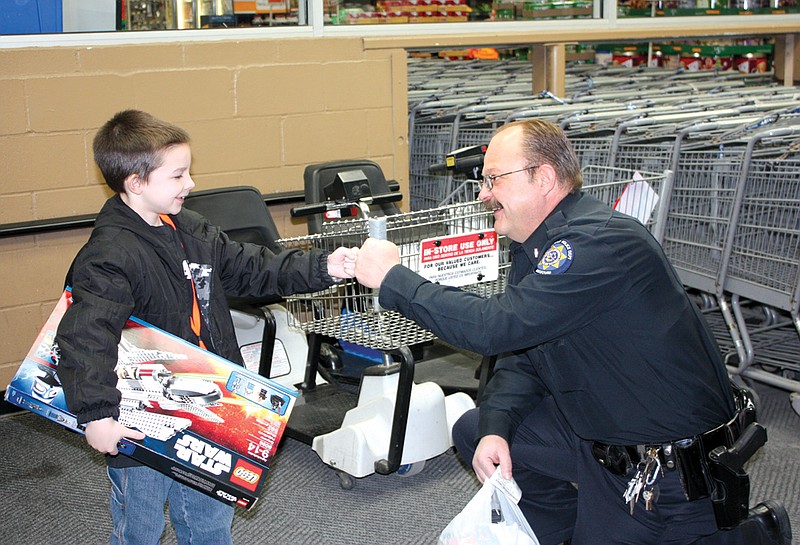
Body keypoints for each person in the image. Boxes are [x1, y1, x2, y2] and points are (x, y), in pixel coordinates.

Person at [354, 119, 791, 545]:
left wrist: (396, 278)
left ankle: (753, 534)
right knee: (476, 430)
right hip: (605, 433)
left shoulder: (596, 243)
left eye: (493, 180)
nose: (484, 195)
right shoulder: (537, 246)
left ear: (543, 177)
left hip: (666, 469)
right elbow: (522, 352)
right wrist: (496, 427)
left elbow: (497, 327)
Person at [55, 109, 357, 545]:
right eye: (178, 176)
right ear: (135, 183)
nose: (191, 184)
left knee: (210, 524)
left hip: (209, 409)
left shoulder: (190, 229)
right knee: (140, 528)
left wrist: (324, 266)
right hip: (140, 422)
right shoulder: (109, 254)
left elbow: (253, 269)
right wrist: (98, 414)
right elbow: (85, 336)